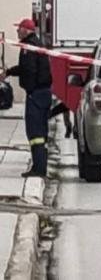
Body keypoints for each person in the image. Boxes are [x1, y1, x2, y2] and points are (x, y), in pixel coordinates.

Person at [0, 19, 52, 177]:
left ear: (26, 30)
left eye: (19, 28)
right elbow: (25, 68)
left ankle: (39, 168)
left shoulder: (29, 48)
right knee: (40, 132)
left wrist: (30, 89)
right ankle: (40, 165)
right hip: (42, 93)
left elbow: (28, 69)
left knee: (35, 133)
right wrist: (9, 72)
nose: (17, 31)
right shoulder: (34, 44)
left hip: (36, 94)